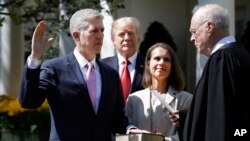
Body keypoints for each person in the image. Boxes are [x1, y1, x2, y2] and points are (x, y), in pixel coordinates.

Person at [18, 9, 133, 141]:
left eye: (102, 30)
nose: (100, 35)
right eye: (94, 31)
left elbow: (117, 117)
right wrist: (35, 58)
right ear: (76, 35)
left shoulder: (110, 74)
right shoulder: (54, 68)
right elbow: (29, 101)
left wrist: (130, 129)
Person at [183, 4, 250, 141]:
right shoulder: (242, 54)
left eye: (194, 31)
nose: (191, 38)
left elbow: (219, 119)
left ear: (209, 27)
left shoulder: (222, 59)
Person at [125, 43, 193, 141]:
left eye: (166, 59)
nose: (161, 63)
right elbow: (127, 132)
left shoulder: (186, 99)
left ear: (172, 66)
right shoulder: (133, 99)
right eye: (157, 58)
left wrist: (162, 140)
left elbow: (190, 134)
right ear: (148, 64)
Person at [101, 17, 144, 102]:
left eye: (131, 33)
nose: (127, 38)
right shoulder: (101, 66)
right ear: (113, 40)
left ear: (138, 38)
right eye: (121, 34)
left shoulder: (149, 65)